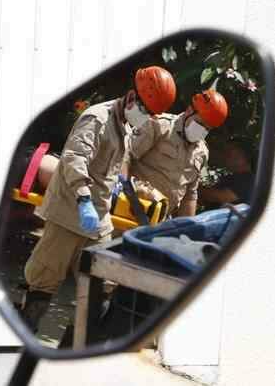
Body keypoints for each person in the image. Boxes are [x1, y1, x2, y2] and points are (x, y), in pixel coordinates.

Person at [19, 66, 177, 333]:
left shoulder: (125, 126)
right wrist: (83, 199)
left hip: (98, 218)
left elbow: (116, 170)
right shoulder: (97, 118)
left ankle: (78, 342)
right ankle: (24, 334)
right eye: (146, 111)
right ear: (131, 97)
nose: (148, 119)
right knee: (45, 278)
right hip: (70, 212)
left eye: (152, 115)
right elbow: (73, 159)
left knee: (103, 279)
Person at [124, 88, 229, 217]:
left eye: (208, 128)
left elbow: (190, 196)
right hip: (128, 209)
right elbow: (125, 156)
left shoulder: (202, 153)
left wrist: (186, 230)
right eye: (200, 123)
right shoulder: (160, 126)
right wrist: (124, 194)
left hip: (156, 223)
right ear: (189, 111)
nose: (202, 130)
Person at [200, 140, 254, 206]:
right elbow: (204, 200)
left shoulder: (248, 180)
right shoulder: (230, 178)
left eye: (229, 152)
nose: (225, 156)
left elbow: (222, 197)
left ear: (243, 155)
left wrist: (192, 187)